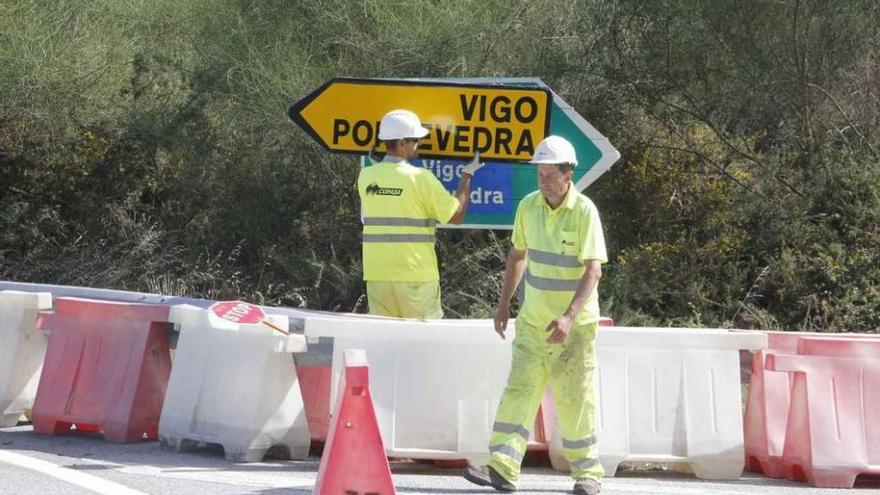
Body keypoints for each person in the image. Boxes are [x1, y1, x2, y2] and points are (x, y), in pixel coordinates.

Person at [462, 135, 607, 495]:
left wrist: (569, 317)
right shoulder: (528, 206)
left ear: (568, 173)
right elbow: (517, 257)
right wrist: (503, 304)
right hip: (532, 323)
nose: (543, 179)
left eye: (549, 172)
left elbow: (593, 271)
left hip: (575, 329)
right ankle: (502, 468)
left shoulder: (585, 211)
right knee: (519, 391)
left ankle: (588, 474)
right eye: (539, 172)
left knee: (576, 399)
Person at [357, 109, 483, 319]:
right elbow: (456, 215)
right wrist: (468, 173)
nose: (420, 144)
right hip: (415, 277)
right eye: (415, 139)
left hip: (378, 278)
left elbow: (387, 195)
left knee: (385, 341)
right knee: (423, 344)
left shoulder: (366, 176)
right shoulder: (420, 178)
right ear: (401, 142)